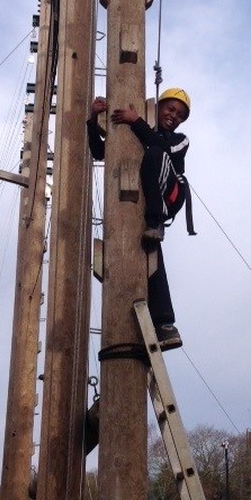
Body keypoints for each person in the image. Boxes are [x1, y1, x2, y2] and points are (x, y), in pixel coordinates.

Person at [87, 88, 193, 350]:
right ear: (158, 107)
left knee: (156, 152)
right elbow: (100, 152)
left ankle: (155, 223)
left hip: (169, 194)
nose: (174, 116)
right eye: (170, 109)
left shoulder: (180, 139)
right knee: (149, 252)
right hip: (145, 204)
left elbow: (162, 147)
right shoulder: (138, 133)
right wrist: (92, 120)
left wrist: (136, 121)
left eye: (179, 114)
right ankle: (164, 324)